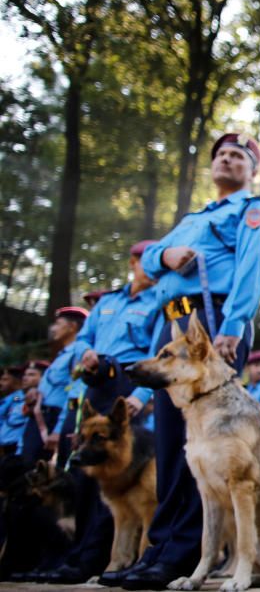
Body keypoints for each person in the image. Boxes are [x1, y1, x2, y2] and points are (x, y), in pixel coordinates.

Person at [118, 133, 260, 591]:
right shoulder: (193, 219)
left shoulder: (254, 211)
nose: (227, 159)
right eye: (221, 154)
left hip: (213, 327)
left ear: (251, 169)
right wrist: (164, 253)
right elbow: (149, 262)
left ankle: (183, 553)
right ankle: (163, 548)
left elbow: (250, 268)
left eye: (238, 156)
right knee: (174, 446)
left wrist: (231, 328)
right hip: (175, 326)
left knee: (209, 447)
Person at [36, 240, 162, 585]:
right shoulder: (110, 301)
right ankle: (76, 556)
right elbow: (84, 338)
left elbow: (157, 353)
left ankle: (100, 558)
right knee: (84, 474)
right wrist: (87, 353)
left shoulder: (158, 301)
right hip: (96, 381)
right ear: (134, 263)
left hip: (127, 384)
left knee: (118, 478)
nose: (152, 268)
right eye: (145, 262)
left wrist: (140, 394)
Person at [19, 307, 89, 464]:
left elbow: (73, 392)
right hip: (40, 417)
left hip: (54, 418)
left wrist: (58, 429)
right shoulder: (61, 355)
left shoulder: (77, 355)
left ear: (72, 327)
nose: (53, 328)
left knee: (39, 470)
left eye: (58, 323)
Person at [0, 366, 26, 456]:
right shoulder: (7, 398)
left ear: (16, 381)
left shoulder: (17, 397)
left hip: (12, 444)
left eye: (5, 380)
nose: (1, 383)